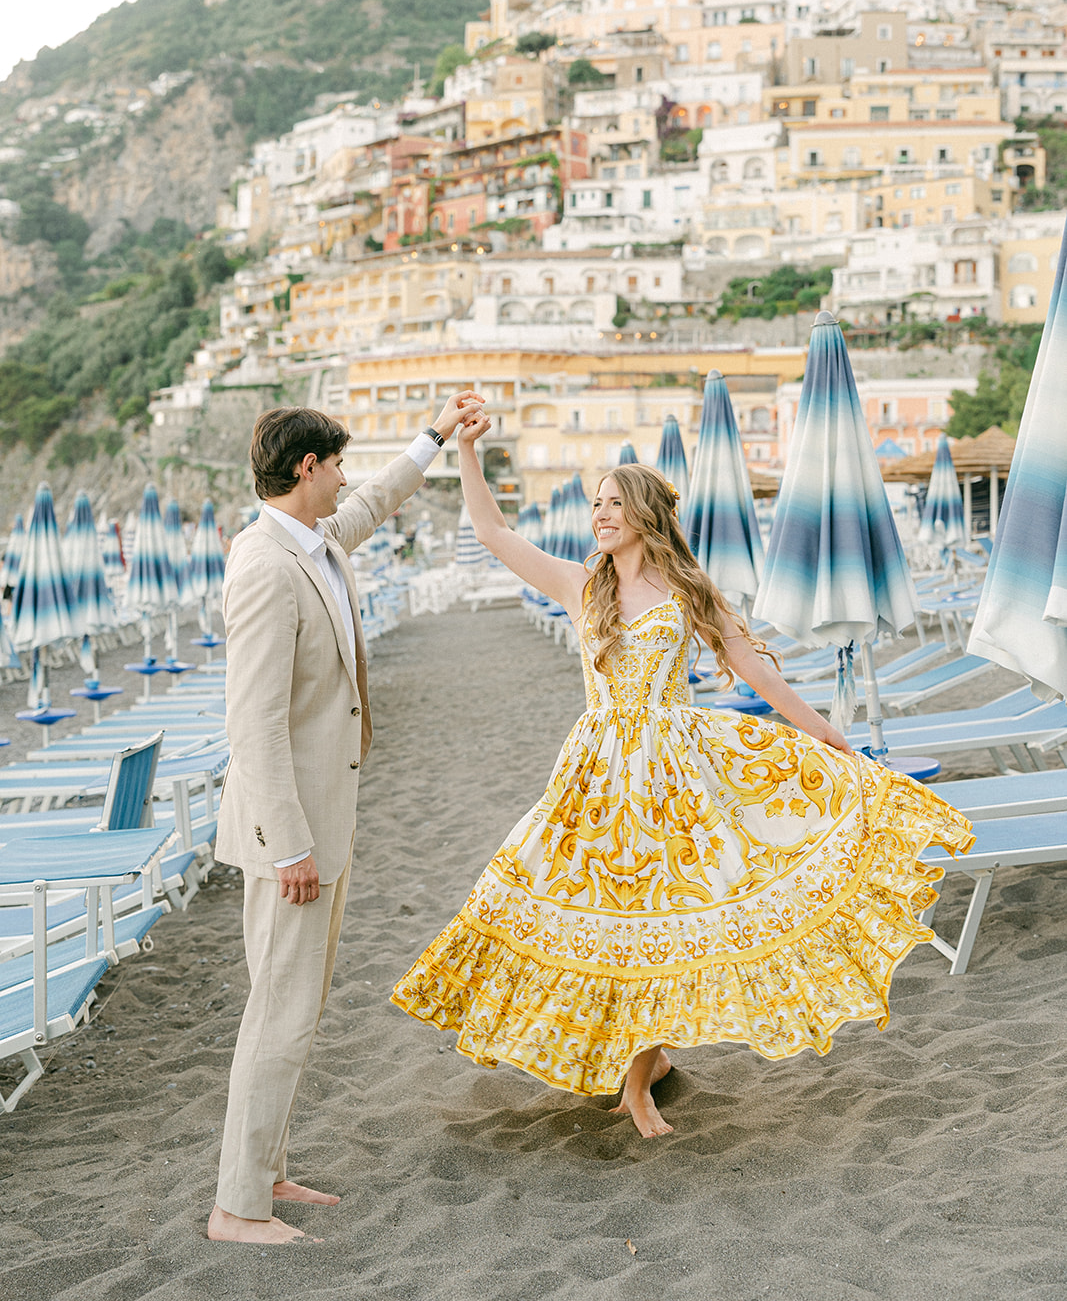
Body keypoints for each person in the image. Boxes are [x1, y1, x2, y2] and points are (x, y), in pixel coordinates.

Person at [393, 436, 973, 1140]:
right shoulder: (580, 584)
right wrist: (468, 450)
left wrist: (823, 733)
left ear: (643, 513)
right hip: (597, 775)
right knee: (602, 916)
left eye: (612, 503)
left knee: (659, 915)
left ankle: (637, 1087)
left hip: (674, 774)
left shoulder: (685, 589)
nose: (600, 515)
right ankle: (652, 1057)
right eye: (596, 504)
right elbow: (489, 530)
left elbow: (756, 672)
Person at [209, 393, 482, 1244]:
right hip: (291, 835)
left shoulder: (317, 539)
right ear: (305, 469)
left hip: (325, 818)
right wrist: (288, 844)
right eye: (335, 465)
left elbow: (378, 499)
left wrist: (435, 435)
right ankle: (237, 1207)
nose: (344, 478)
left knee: (297, 1005)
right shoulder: (263, 565)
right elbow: (250, 724)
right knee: (279, 1011)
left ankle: (266, 1171)